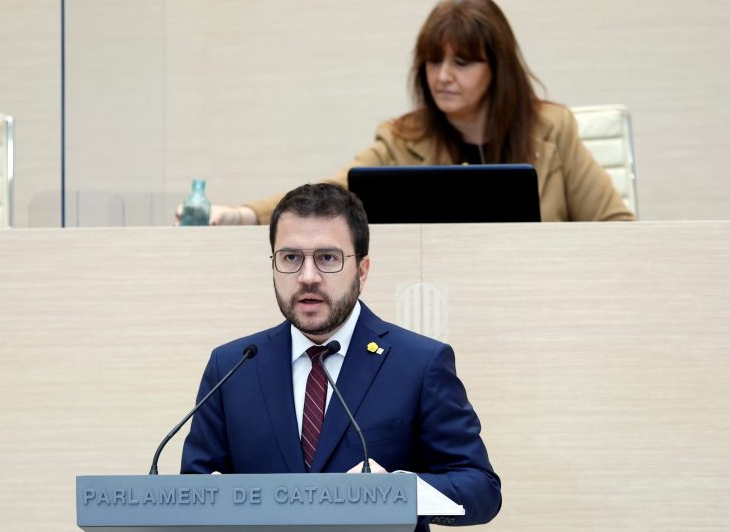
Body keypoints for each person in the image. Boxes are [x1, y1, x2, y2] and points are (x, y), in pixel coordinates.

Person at [181, 183, 501, 530]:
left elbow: (480, 489)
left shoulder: (419, 363)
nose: (307, 277)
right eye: (291, 258)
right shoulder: (233, 366)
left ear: (362, 271)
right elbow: (194, 486)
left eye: (328, 258)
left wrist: (400, 492)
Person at [183, 0, 634, 225]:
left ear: (498, 69)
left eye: (462, 62)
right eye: (434, 61)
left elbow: (616, 227)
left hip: (540, 299)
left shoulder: (553, 129)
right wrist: (242, 215)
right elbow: (330, 195)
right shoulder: (402, 138)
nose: (442, 76)